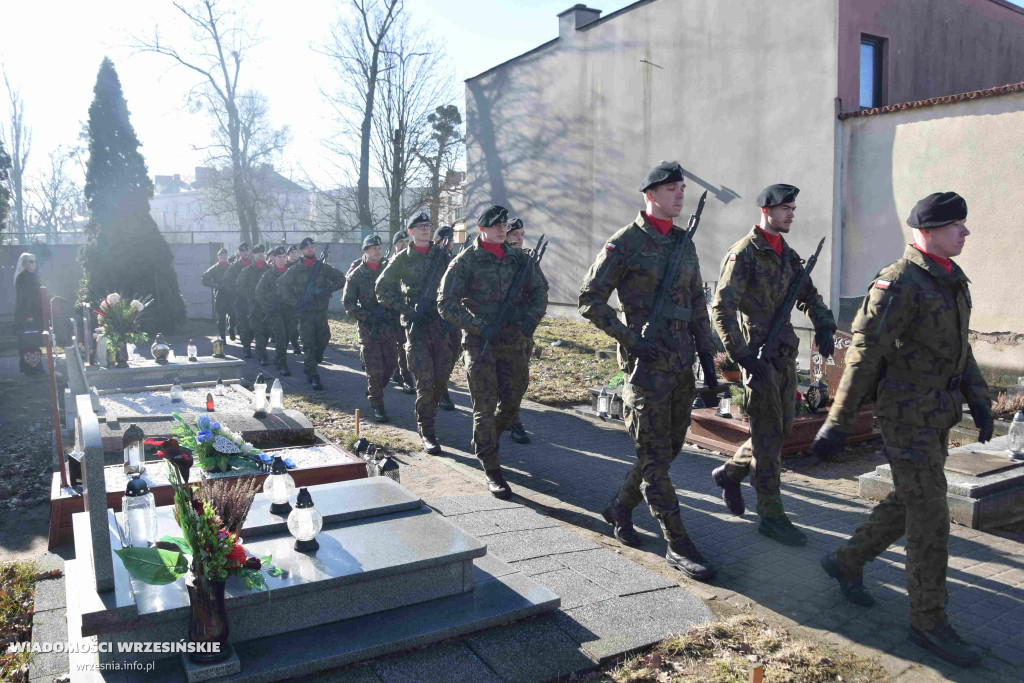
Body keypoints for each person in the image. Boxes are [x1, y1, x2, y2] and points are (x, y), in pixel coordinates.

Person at [812, 192, 991, 668]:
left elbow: (960, 348)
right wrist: (837, 422)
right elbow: (864, 354)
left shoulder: (951, 280)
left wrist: (979, 397)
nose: (966, 233)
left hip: (937, 412)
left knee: (910, 499)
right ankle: (928, 623)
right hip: (905, 415)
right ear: (929, 231)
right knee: (931, 514)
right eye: (958, 225)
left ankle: (846, 561)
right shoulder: (899, 282)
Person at [579, 162, 719, 581]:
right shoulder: (624, 243)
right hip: (644, 367)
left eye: (682, 189)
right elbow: (590, 299)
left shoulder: (683, 241)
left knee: (666, 451)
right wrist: (630, 338)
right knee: (654, 459)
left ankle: (620, 507)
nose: (680, 195)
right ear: (651, 194)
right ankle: (677, 543)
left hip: (680, 364)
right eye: (673, 189)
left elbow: (697, 303)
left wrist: (709, 356)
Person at [710, 183, 836, 547]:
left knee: (778, 430)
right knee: (768, 438)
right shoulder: (744, 254)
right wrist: (742, 355)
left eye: (793, 208)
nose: (792, 214)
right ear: (766, 210)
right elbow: (722, 308)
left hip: (783, 352)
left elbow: (809, 296)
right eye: (786, 208)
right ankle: (771, 514)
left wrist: (824, 324)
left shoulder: (789, 255)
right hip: (758, 355)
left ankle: (731, 473)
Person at [439, 205, 547, 499]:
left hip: (514, 341)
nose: (503, 229)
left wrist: (530, 319)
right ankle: (491, 465)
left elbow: (540, 291)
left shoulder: (519, 260)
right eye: (496, 225)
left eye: (504, 225)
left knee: (512, 402)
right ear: (482, 228)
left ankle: (487, 441)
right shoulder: (466, 261)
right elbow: (445, 302)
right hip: (481, 344)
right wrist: (477, 326)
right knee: (484, 408)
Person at [377, 213, 455, 454]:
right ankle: (427, 430)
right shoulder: (402, 258)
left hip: (441, 326)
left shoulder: (443, 256)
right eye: (419, 226)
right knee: (425, 381)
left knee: (441, 380)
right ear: (410, 231)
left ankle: (429, 419)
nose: (425, 229)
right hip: (417, 328)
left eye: (428, 225)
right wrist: (407, 310)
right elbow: (382, 288)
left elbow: (456, 285)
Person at [343, 235, 399, 423]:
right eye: (373, 248)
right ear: (365, 251)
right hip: (369, 328)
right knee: (374, 370)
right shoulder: (356, 275)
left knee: (390, 365)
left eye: (379, 247)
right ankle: (378, 405)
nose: (378, 250)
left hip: (388, 326)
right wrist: (367, 316)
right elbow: (348, 304)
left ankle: (375, 389)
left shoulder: (389, 270)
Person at [278, 237, 346, 389]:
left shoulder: (322, 267)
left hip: (321, 312)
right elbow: (282, 285)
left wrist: (327, 290)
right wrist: (295, 302)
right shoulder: (295, 269)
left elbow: (342, 279)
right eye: (307, 247)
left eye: (312, 246)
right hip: (305, 313)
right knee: (308, 344)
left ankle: (314, 361)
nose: (310, 249)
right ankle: (313, 374)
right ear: (302, 251)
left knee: (324, 338)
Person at [503, 217, 546, 444]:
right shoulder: (496, 259)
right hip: (495, 330)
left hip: (521, 331)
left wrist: (531, 316)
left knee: (518, 379)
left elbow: (541, 289)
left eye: (522, 235)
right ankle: (501, 422)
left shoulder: (529, 261)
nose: (519, 239)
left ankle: (513, 419)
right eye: (514, 235)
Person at [255, 246, 295, 376]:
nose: (282, 259)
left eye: (284, 257)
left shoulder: (291, 272)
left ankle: (278, 357)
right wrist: (267, 307)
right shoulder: (268, 274)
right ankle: (282, 364)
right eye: (279, 257)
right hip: (275, 311)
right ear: (274, 258)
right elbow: (259, 292)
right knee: (281, 337)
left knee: (288, 336)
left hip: (289, 309)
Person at [387, 230, 417, 395]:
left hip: (410, 311)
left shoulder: (412, 262)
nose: (405, 245)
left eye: (407, 241)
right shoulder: (389, 264)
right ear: (394, 245)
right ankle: (404, 377)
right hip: (393, 312)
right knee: (398, 347)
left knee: (406, 346)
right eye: (401, 242)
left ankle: (404, 376)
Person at [437, 226, 460, 412]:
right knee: (442, 356)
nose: (450, 243)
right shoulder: (432, 260)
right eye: (446, 239)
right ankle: (442, 392)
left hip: (454, 316)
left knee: (454, 352)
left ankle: (441, 384)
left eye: (451, 239)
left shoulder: (454, 260)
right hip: (435, 317)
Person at [239, 244, 271, 365]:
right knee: (258, 330)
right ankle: (262, 354)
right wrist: (250, 297)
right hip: (253, 305)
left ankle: (259, 348)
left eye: (262, 252)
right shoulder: (247, 270)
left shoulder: (269, 270)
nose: (260, 254)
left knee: (267, 330)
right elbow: (240, 286)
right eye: (257, 252)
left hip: (267, 305)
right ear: (253, 254)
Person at [14, 252, 44, 375]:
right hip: (28, 315)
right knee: (28, 341)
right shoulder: (22, 277)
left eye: (35, 261)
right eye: (31, 261)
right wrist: (28, 315)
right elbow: (24, 298)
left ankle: (34, 367)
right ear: (24, 263)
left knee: (34, 341)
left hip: (35, 313)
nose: (34, 264)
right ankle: (31, 368)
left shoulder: (32, 275)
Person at [224, 243, 254, 355]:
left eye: (247, 251)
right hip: (240, 299)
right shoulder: (234, 267)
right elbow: (226, 281)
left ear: (250, 251)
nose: (245, 253)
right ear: (239, 253)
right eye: (242, 251)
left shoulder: (254, 265)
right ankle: (246, 346)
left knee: (254, 325)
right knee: (243, 324)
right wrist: (236, 290)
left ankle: (249, 341)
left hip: (253, 299)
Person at [201, 248, 234, 340]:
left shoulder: (232, 267)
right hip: (220, 295)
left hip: (231, 294)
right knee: (221, 317)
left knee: (233, 315)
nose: (223, 257)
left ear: (227, 256)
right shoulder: (214, 269)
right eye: (221, 256)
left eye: (225, 256)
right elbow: (204, 279)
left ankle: (231, 328)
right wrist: (215, 285)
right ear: (218, 257)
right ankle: (223, 337)